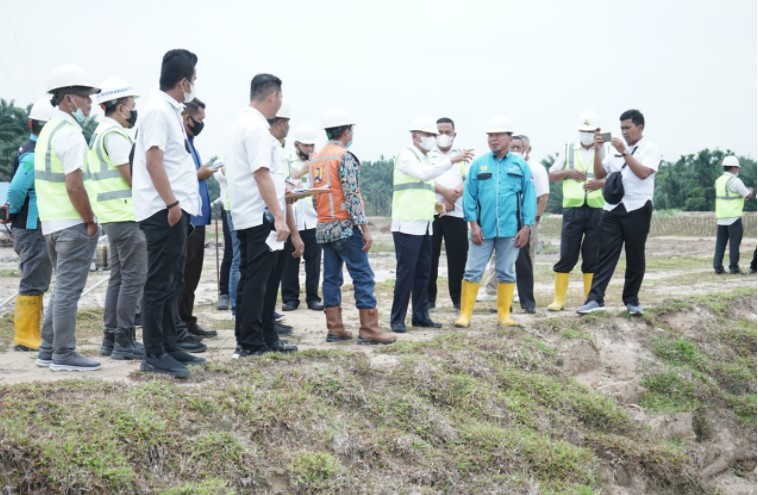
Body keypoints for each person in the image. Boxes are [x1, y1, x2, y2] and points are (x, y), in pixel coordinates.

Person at [132, 49, 205, 378]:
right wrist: (172, 204)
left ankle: (169, 343)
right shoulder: (158, 111)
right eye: (195, 79)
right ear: (184, 81)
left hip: (175, 209)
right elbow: (153, 161)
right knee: (159, 282)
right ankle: (154, 353)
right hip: (164, 210)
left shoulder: (169, 110)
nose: (195, 85)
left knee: (173, 279)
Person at [226, 74, 302, 358]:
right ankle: (250, 341)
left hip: (248, 213)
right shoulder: (257, 128)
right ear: (272, 97)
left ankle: (265, 336)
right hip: (261, 217)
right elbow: (261, 174)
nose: (280, 103)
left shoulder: (239, 124)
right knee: (257, 282)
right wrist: (279, 218)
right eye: (280, 98)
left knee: (262, 281)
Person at [33, 65, 101, 371]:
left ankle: (48, 349)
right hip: (72, 223)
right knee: (68, 291)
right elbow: (74, 184)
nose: (89, 104)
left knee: (61, 288)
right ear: (68, 98)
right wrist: (89, 219)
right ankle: (64, 353)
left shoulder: (49, 130)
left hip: (51, 223)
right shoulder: (71, 133)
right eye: (86, 98)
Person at [309, 106, 395, 345]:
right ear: (346, 132)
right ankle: (369, 329)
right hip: (346, 227)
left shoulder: (316, 158)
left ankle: (335, 328)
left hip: (325, 227)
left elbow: (316, 198)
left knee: (330, 278)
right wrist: (364, 228)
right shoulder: (343, 157)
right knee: (363, 276)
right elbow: (352, 195)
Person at [390, 115, 473, 332]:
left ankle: (421, 315)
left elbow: (425, 189)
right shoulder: (407, 156)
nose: (432, 138)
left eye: (433, 136)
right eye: (428, 135)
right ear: (415, 136)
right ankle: (397, 318)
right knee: (406, 273)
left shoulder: (424, 158)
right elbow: (424, 175)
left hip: (425, 223)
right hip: (407, 224)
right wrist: (451, 161)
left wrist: (439, 206)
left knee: (423, 272)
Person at [577, 109, 661, 316]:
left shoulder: (650, 149)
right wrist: (598, 151)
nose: (624, 132)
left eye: (628, 127)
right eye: (621, 128)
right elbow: (599, 173)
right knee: (605, 254)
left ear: (640, 127)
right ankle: (595, 298)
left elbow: (642, 174)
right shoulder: (613, 149)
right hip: (613, 209)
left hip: (638, 207)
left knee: (635, 255)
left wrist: (625, 152)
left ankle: (631, 300)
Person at [454, 115, 535, 328]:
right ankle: (465, 315)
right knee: (472, 270)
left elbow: (528, 198)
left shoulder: (521, 166)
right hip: (482, 229)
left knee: (506, 271)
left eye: (498, 135)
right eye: (490, 135)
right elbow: (470, 196)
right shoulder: (478, 165)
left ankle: (503, 316)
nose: (493, 139)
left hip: (511, 230)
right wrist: (473, 224)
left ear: (509, 138)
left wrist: (527, 227)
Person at [85, 77, 145, 361]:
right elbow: (131, 177)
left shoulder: (99, 133)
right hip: (126, 213)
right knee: (133, 278)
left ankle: (111, 339)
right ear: (121, 107)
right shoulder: (116, 135)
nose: (134, 110)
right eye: (132, 105)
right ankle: (124, 340)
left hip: (112, 214)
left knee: (119, 278)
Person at [2, 98, 54, 352]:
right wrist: (12, 211)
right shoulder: (34, 156)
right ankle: (25, 337)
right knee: (34, 279)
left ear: (30, 123)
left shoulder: (29, 150)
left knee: (37, 278)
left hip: (30, 226)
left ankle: (31, 333)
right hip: (32, 227)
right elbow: (16, 189)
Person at [547, 111, 610, 310]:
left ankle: (590, 299)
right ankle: (559, 300)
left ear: (598, 131)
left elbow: (617, 177)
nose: (585, 134)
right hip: (572, 209)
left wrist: (601, 183)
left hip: (597, 208)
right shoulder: (568, 150)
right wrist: (568, 172)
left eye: (590, 131)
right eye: (582, 131)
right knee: (567, 254)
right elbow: (552, 174)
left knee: (592, 256)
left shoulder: (607, 151)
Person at [176, 98, 218, 340]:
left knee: (192, 276)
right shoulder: (179, 144)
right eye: (199, 120)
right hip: (187, 219)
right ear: (186, 117)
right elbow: (177, 179)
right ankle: (179, 324)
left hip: (199, 220)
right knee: (181, 275)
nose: (202, 124)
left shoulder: (192, 144)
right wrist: (198, 174)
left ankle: (188, 320)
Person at [281, 123, 324, 312]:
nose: (310, 149)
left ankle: (313, 297)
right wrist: (303, 170)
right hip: (293, 220)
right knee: (290, 261)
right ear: (296, 145)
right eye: (306, 146)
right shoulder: (287, 161)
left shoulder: (319, 163)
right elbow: (285, 186)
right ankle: (290, 298)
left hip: (313, 219)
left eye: (312, 146)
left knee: (313, 262)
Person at [427, 117, 469, 311]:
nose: (443, 136)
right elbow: (425, 178)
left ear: (454, 134)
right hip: (431, 213)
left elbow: (469, 180)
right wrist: (445, 194)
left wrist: (453, 197)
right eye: (440, 132)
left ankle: (458, 299)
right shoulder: (426, 154)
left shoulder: (463, 155)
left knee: (458, 258)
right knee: (429, 257)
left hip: (457, 213)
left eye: (447, 132)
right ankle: (429, 299)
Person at [511, 134, 549, 314]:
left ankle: (527, 302)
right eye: (512, 147)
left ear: (526, 149)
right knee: (503, 264)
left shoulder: (532, 169)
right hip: (503, 219)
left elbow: (539, 197)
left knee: (524, 261)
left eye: (518, 147)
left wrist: (532, 220)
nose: (515, 150)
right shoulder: (499, 166)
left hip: (523, 221)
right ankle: (504, 302)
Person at [712, 155, 753, 274]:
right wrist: (750, 191)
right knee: (734, 244)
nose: (738, 170)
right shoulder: (735, 181)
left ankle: (717, 268)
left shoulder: (718, 181)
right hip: (733, 217)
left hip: (721, 217)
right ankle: (734, 268)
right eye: (737, 168)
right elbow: (746, 195)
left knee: (720, 244)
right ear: (734, 168)